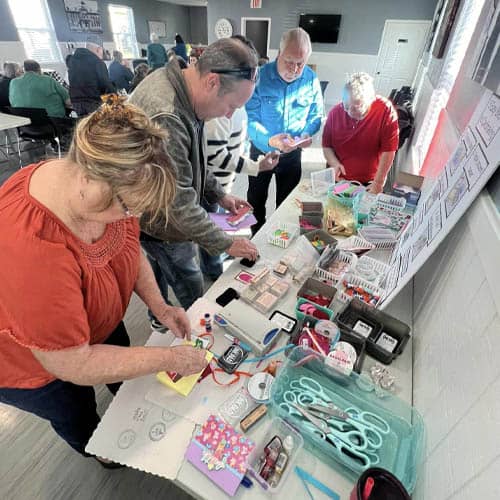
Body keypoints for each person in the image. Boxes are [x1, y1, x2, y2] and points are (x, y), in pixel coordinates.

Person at [0, 96, 207, 463]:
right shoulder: (31, 250)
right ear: (87, 179)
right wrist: (166, 358)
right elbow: (73, 365)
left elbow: (128, 247)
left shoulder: (104, 183)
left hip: (93, 327)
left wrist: (159, 304)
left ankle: (117, 421)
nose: (132, 216)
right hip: (37, 364)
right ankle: (97, 450)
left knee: (122, 371)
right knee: (74, 410)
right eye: (128, 207)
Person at [129, 37, 259, 315]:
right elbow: (180, 205)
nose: (229, 116)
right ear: (212, 82)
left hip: (158, 217)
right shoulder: (168, 115)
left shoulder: (184, 86)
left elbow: (192, 161)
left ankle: (158, 315)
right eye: (231, 106)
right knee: (192, 291)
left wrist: (219, 194)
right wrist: (227, 243)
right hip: (160, 225)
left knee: (161, 270)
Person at [200, 35, 279, 280]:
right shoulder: (219, 112)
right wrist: (255, 166)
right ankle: (213, 270)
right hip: (213, 184)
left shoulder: (238, 103)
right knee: (211, 226)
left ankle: (217, 257)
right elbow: (218, 157)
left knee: (220, 221)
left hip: (223, 183)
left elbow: (237, 142)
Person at [246, 28, 323, 234]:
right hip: (262, 152)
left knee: (287, 204)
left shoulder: (311, 79)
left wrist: (307, 133)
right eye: (289, 61)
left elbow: (316, 115)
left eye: (301, 63)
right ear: (279, 54)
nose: (295, 68)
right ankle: (256, 240)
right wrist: (271, 140)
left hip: (292, 155)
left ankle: (279, 241)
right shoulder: (259, 77)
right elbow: (250, 119)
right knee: (255, 200)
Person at [322, 72, 399, 194]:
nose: (350, 112)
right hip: (341, 180)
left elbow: (389, 151)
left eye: (357, 107)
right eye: (346, 106)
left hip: (369, 181)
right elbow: (326, 147)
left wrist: (378, 182)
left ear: (371, 99)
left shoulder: (385, 110)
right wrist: (334, 163)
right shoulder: (335, 112)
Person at [68, 38, 115, 116]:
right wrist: (116, 100)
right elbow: (106, 85)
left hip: (77, 105)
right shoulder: (97, 62)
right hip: (93, 104)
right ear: (99, 49)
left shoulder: (73, 62)